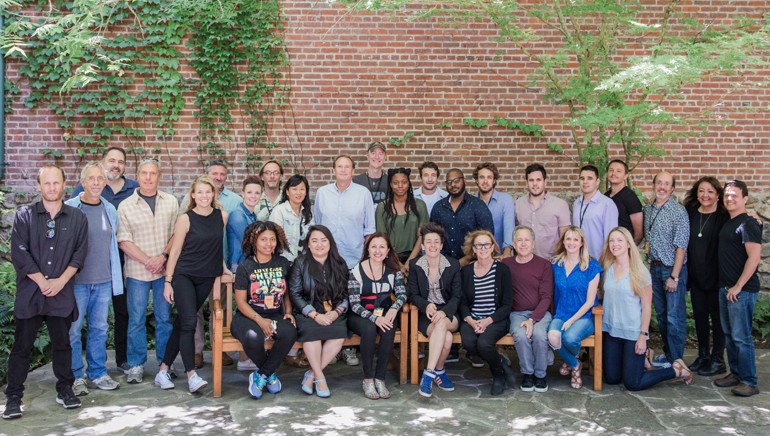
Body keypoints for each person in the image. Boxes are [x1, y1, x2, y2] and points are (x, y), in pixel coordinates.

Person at [4, 166, 88, 419]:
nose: (51, 188)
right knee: (22, 346)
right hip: (31, 291)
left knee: (62, 344)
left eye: (56, 183)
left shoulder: (77, 218)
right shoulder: (24, 216)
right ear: (39, 186)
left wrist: (60, 282)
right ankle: (14, 396)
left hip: (62, 292)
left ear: (64, 184)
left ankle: (65, 389)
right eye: (46, 183)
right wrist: (42, 282)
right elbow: (20, 253)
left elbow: (79, 254)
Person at [155, 176, 229, 393]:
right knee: (188, 323)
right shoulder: (185, 219)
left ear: (213, 194)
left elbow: (216, 245)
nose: (205, 196)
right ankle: (191, 375)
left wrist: (223, 266)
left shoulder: (221, 216)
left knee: (181, 324)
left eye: (209, 192)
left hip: (207, 277)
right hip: (184, 275)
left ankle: (163, 370)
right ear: (193, 195)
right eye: (200, 192)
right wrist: (168, 282)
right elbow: (175, 252)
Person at [70, 146, 138, 373]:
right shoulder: (80, 196)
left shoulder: (132, 190)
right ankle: (75, 372)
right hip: (81, 268)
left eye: (120, 161)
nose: (115, 165)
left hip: (120, 262)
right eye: (111, 160)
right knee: (76, 325)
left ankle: (119, 361)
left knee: (119, 313)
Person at [600, 227, 693, 390]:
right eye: (612, 241)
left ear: (629, 244)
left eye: (620, 240)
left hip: (632, 333)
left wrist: (643, 336)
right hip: (611, 331)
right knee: (612, 378)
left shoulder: (640, 272)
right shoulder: (607, 268)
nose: (615, 244)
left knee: (633, 383)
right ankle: (641, 360)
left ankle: (676, 370)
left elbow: (646, 308)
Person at [117, 157, 178, 384]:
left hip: (164, 271)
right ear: (138, 176)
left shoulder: (171, 202)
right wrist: (148, 261)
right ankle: (135, 365)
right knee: (136, 319)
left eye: (153, 173)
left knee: (164, 319)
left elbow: (176, 234)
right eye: (144, 173)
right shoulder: (125, 206)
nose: (148, 177)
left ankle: (165, 364)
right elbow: (123, 240)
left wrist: (162, 257)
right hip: (137, 272)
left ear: (159, 176)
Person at [64, 162, 122, 396]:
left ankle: (97, 372)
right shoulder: (69, 208)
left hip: (103, 280)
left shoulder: (109, 209)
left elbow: (112, 241)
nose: (96, 182)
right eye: (91, 178)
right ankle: (76, 376)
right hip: (76, 282)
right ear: (83, 181)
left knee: (99, 329)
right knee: (73, 330)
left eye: (100, 178)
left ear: (105, 182)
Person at [314, 155, 375, 367]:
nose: (343, 170)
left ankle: (348, 348)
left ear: (353, 170)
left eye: (347, 167)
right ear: (334, 170)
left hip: (353, 257)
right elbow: (317, 226)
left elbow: (370, 230)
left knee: (350, 302)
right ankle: (332, 343)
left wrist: (365, 260)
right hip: (327, 259)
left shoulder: (363, 194)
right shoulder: (322, 193)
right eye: (339, 166)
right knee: (329, 300)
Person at [181, 159, 241, 369]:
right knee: (195, 310)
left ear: (226, 176)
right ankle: (197, 351)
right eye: (214, 173)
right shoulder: (191, 198)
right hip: (195, 265)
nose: (218, 177)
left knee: (222, 308)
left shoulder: (234, 200)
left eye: (222, 174)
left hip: (219, 263)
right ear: (207, 174)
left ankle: (220, 349)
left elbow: (235, 233)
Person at [230, 221, 297, 399]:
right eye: (264, 239)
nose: (269, 244)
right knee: (253, 337)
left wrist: (288, 311)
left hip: (274, 314)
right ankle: (270, 374)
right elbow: (241, 302)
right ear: (254, 242)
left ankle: (261, 375)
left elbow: (287, 294)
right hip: (247, 316)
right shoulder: (245, 267)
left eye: (272, 239)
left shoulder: (283, 263)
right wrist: (260, 320)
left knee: (290, 333)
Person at [289, 225, 350, 397]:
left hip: (333, 311)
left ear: (330, 242)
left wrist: (336, 312)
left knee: (338, 334)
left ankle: (311, 375)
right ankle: (320, 377)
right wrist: (314, 314)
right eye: (314, 241)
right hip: (307, 312)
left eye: (324, 240)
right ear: (308, 244)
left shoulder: (339, 263)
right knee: (312, 332)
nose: (319, 244)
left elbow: (347, 293)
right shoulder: (300, 263)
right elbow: (295, 293)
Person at [713, 180, 762, 397]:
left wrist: (738, 286)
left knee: (742, 337)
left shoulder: (748, 223)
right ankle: (736, 373)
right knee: (730, 334)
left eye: (734, 195)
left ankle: (749, 381)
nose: (729, 198)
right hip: (726, 289)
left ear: (745, 199)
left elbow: (754, 258)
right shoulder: (729, 221)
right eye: (727, 195)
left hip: (741, 291)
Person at [348, 233, 408, 399]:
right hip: (360, 315)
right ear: (367, 249)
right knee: (369, 329)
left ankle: (380, 378)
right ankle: (368, 379)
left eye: (382, 247)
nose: (377, 250)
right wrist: (375, 318)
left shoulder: (393, 271)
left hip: (385, 312)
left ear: (388, 250)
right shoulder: (356, 271)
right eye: (373, 246)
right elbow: (354, 303)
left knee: (388, 328)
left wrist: (394, 309)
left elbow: (402, 294)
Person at [458, 230, 515, 396]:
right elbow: (462, 302)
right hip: (472, 319)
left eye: (486, 245)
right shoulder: (466, 271)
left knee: (484, 344)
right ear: (473, 249)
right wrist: (470, 320)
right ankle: (502, 364)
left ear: (492, 248)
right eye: (478, 245)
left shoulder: (502, 270)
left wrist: (487, 321)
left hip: (495, 319)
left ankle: (498, 376)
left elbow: (506, 305)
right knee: (469, 342)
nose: (483, 248)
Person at [682, 177, 728, 376]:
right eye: (701, 191)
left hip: (717, 276)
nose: (705, 195)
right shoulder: (691, 213)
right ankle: (703, 356)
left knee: (717, 319)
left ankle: (718, 359)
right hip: (697, 275)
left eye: (710, 191)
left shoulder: (724, 215)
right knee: (700, 317)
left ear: (718, 195)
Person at [409, 223, 462, 398]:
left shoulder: (453, 265)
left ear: (441, 245)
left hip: (449, 313)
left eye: (436, 242)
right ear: (422, 246)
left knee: (442, 324)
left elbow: (456, 297)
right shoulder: (415, 265)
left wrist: (444, 311)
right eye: (428, 242)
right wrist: (425, 305)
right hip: (426, 314)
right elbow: (413, 295)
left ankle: (428, 374)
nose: (432, 245)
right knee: (446, 338)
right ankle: (439, 370)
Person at [643, 171, 689, 368]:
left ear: (672, 188)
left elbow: (681, 246)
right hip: (654, 268)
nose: (662, 187)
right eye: (659, 183)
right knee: (661, 315)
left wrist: (675, 276)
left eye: (666, 184)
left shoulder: (679, 211)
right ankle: (669, 355)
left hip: (672, 270)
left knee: (674, 317)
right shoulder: (648, 209)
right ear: (654, 185)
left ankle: (677, 359)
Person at [548, 226, 601, 390]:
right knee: (552, 336)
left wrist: (571, 321)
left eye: (575, 239)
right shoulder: (555, 264)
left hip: (584, 316)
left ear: (581, 242)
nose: (571, 243)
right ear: (563, 241)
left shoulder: (591, 266)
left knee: (569, 338)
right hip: (561, 313)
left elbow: (590, 301)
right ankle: (574, 363)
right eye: (568, 239)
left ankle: (570, 362)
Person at [502, 226, 554, 393]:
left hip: (540, 313)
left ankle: (540, 375)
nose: (523, 243)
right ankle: (527, 374)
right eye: (519, 240)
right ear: (513, 244)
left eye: (527, 240)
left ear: (533, 243)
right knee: (521, 335)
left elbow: (547, 297)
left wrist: (532, 319)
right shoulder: (506, 264)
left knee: (539, 334)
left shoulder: (544, 265)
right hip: (516, 313)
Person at [430, 168, 494, 261]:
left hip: (472, 264)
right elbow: (432, 235)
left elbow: (488, 236)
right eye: (449, 182)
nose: (453, 185)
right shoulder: (439, 207)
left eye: (456, 181)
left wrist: (466, 260)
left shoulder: (478, 205)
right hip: (443, 264)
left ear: (464, 181)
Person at [515, 163, 571, 259]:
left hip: (551, 262)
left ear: (545, 182)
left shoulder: (560, 205)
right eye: (531, 180)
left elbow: (565, 237)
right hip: (524, 262)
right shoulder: (518, 204)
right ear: (526, 183)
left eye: (538, 180)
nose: (535, 183)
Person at [375, 167, 428, 265]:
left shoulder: (420, 205)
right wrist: (398, 265)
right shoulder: (382, 207)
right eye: (395, 183)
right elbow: (382, 238)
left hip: (416, 259)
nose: (400, 186)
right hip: (390, 259)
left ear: (409, 184)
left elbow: (423, 236)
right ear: (391, 185)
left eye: (404, 182)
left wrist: (408, 264)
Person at [572, 165, 618, 260]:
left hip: (598, 260)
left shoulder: (607, 204)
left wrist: (607, 261)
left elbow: (611, 236)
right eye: (582, 178)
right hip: (577, 260)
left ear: (597, 181)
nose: (585, 182)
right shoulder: (576, 203)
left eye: (589, 178)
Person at [269, 174, 314, 262]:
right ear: (287, 192)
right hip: (283, 261)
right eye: (294, 189)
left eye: (302, 189)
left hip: (303, 262)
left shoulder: (308, 213)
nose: (299, 193)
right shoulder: (279, 211)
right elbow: (273, 237)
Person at [473, 162, 515, 257]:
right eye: (482, 177)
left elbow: (509, 228)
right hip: (477, 257)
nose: (485, 181)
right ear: (476, 180)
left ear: (494, 180)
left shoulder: (506, 200)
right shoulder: (471, 202)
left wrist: (506, 253)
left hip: (500, 256)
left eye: (489, 177)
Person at [227, 176, 263, 271]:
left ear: (261, 195)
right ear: (243, 194)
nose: (253, 196)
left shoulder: (253, 216)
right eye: (249, 192)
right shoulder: (237, 215)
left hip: (250, 265)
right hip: (238, 266)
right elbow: (250, 243)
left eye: (257, 193)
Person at [605, 160, 643, 244]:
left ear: (625, 176)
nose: (614, 173)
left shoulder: (630, 197)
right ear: (607, 174)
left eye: (618, 171)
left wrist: (630, 248)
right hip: (609, 245)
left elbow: (639, 232)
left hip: (624, 247)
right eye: (611, 170)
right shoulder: (605, 197)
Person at [352, 141, 388, 209]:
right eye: (373, 153)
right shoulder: (356, 182)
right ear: (367, 155)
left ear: (385, 157)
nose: (377, 157)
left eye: (380, 153)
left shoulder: (391, 182)